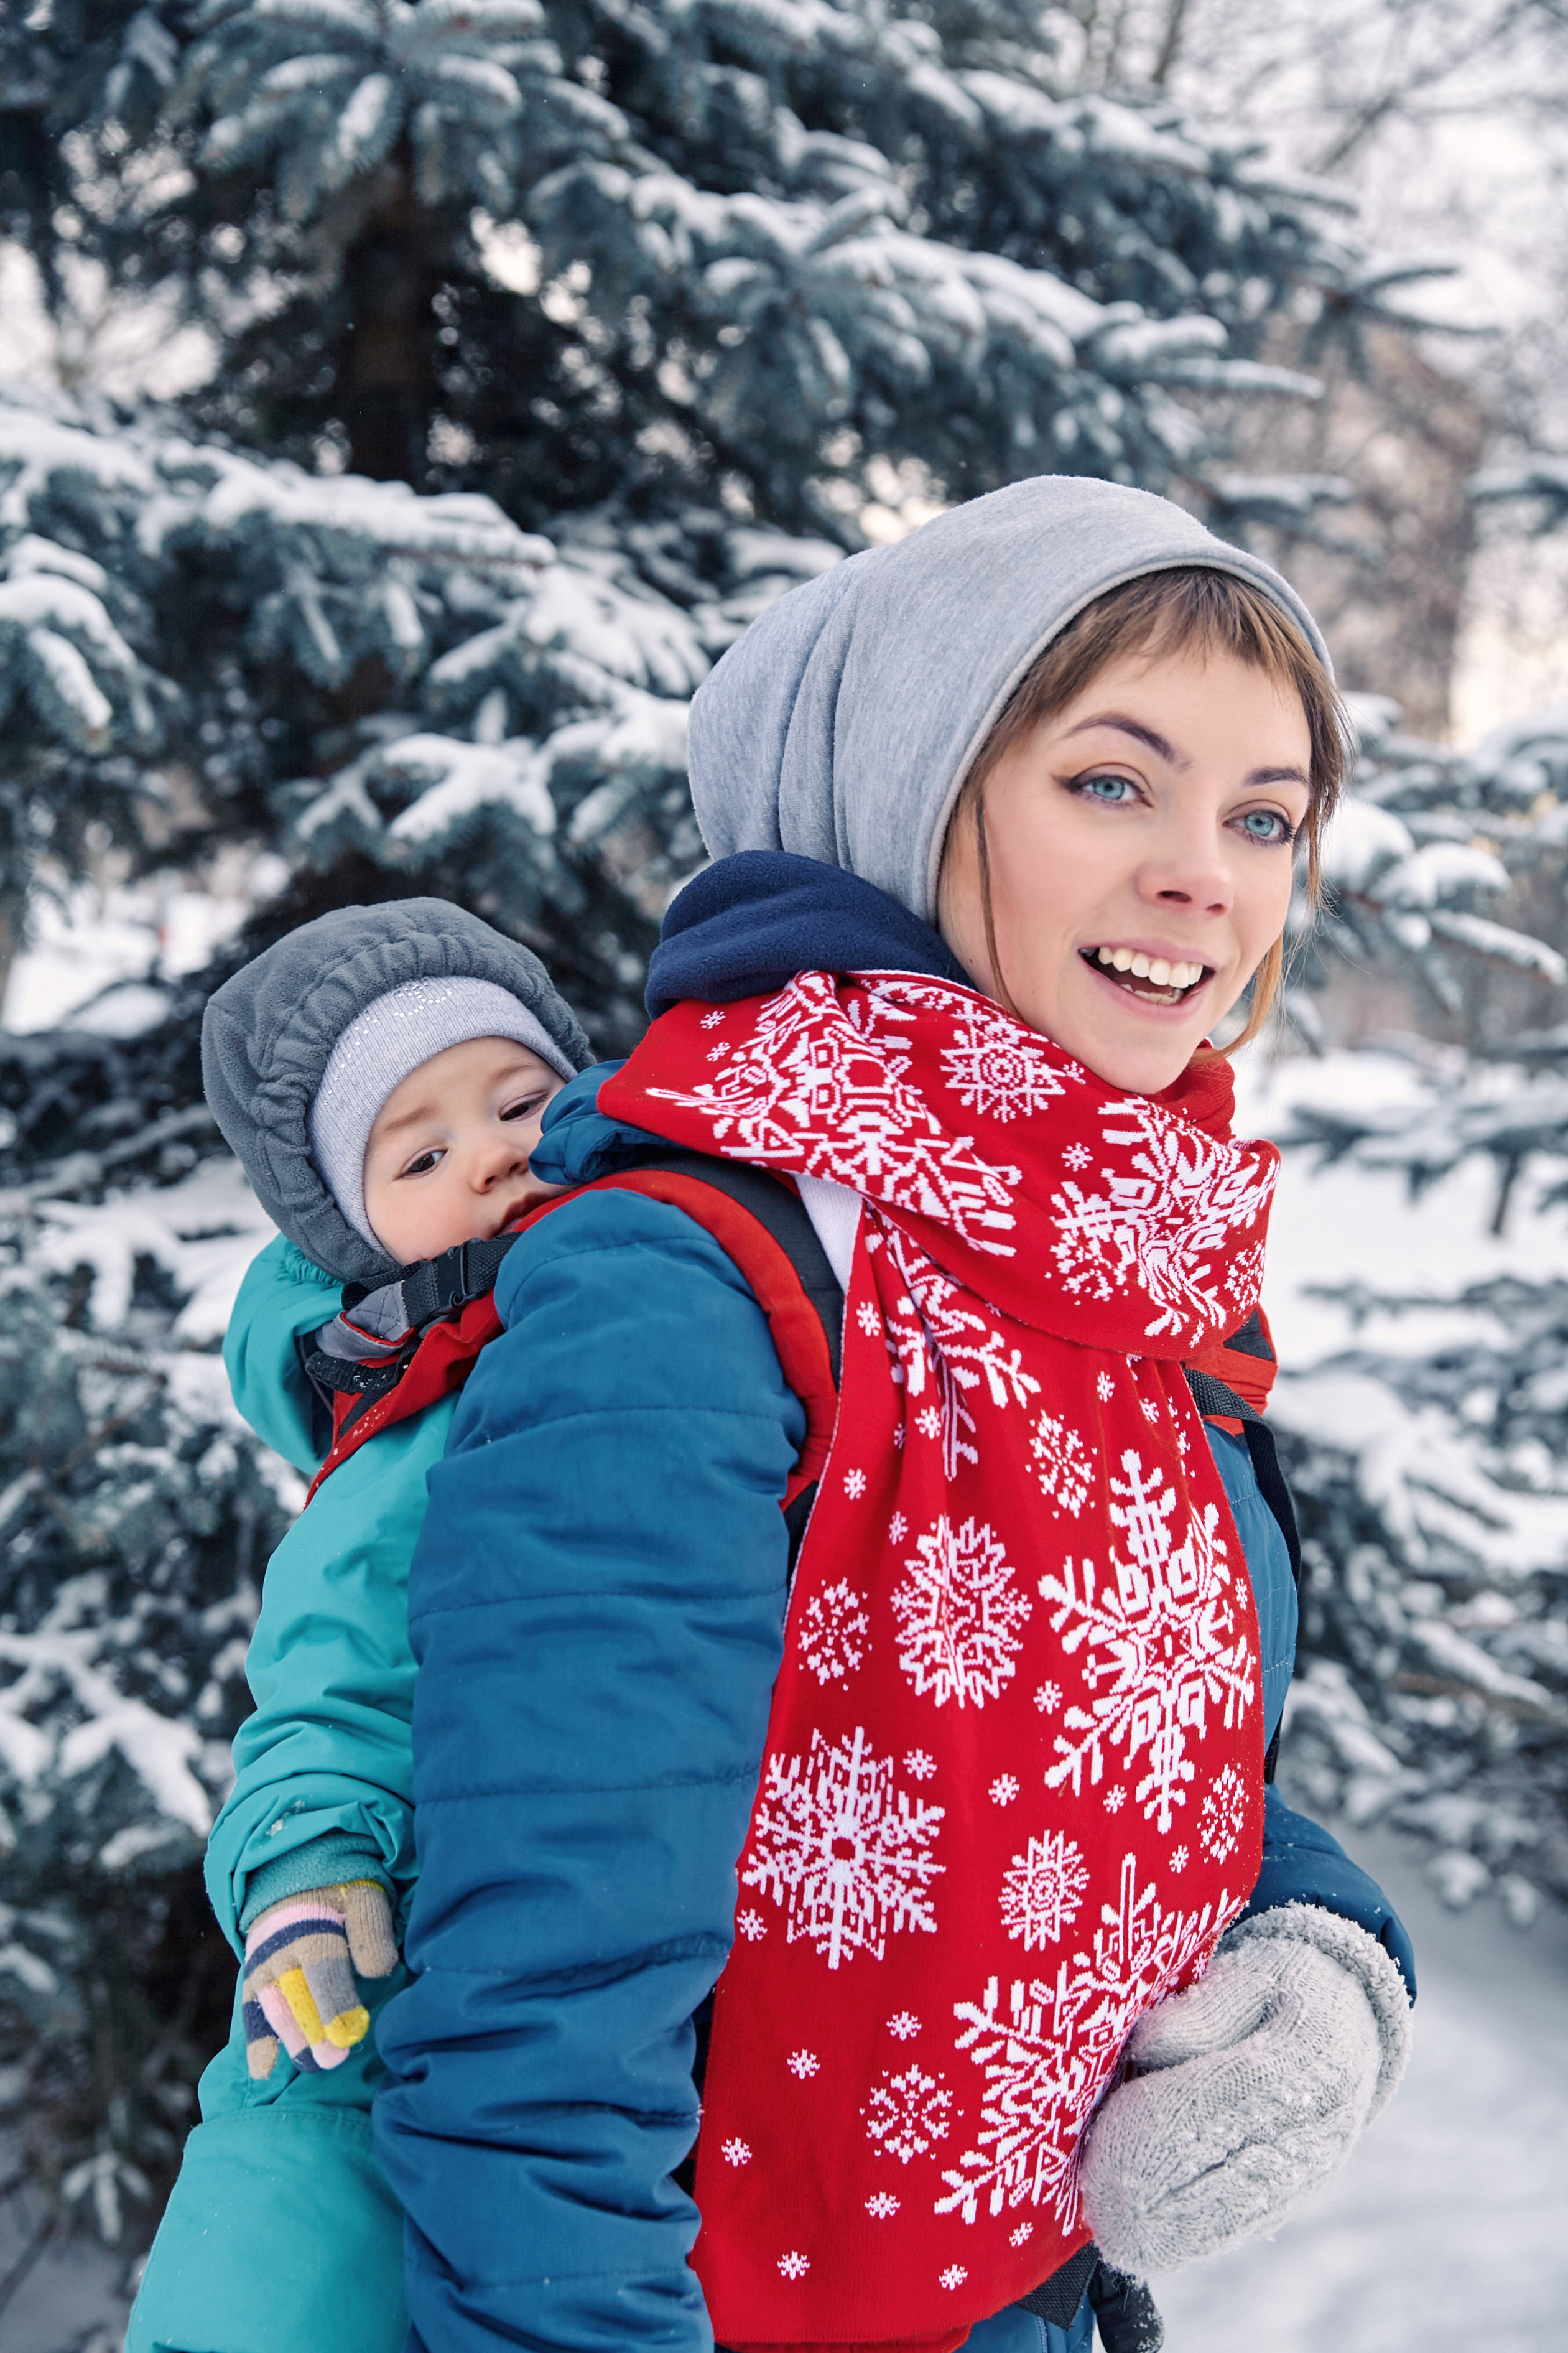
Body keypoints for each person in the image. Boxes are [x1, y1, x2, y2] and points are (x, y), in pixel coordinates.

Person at [374, 480, 1418, 2353]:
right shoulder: (694, 1277)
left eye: (1266, 816)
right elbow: (538, 2034)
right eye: (1113, 781)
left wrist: (1327, 1953)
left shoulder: (1138, 1266)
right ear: (908, 793)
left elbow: (1157, 1767)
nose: (1207, 871)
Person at [128, 898, 593, 2353]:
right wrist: (314, 1874)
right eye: (423, 1151)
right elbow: (327, 1689)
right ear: (356, 1232)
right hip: (400, 1985)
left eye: (522, 1101)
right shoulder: (419, 1433)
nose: (494, 1154)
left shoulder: (669, 1322)